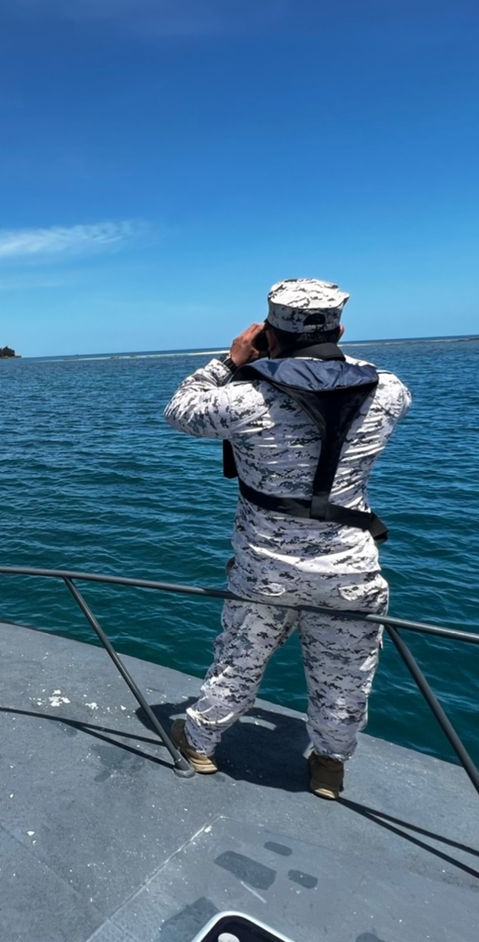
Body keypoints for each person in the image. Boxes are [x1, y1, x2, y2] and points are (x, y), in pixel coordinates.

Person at [163, 279, 411, 798]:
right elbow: (343, 378)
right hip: (350, 569)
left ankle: (200, 743)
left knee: (239, 660)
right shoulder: (389, 391)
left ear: (268, 335)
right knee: (345, 675)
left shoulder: (244, 397)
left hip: (266, 569)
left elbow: (180, 409)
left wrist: (231, 360)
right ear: (340, 330)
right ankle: (328, 767)